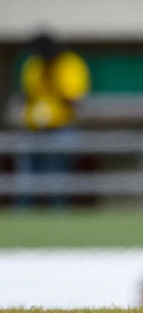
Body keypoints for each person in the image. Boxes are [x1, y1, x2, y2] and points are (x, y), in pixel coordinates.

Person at [16, 31, 92, 208]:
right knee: (27, 177)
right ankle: (24, 215)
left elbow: (73, 98)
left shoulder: (69, 63)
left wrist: (52, 78)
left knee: (57, 176)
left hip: (61, 127)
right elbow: (27, 94)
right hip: (33, 128)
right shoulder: (33, 64)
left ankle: (58, 213)